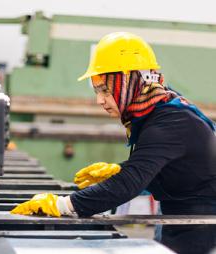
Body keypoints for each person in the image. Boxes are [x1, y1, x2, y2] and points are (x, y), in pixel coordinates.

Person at [11, 32, 216, 254]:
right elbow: (171, 167)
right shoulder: (160, 107)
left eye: (105, 90)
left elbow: (129, 184)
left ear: (130, 82)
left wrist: (63, 205)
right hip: (182, 212)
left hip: (203, 220)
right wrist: (121, 169)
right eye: (97, 90)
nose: (99, 100)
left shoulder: (170, 121)